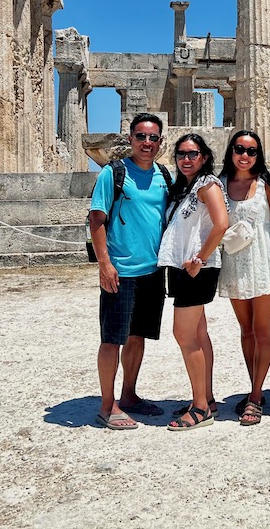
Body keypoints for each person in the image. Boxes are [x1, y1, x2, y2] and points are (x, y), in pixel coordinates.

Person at [88, 113, 169, 431]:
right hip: (120, 270)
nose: (146, 143)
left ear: (160, 142)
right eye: (140, 136)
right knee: (112, 339)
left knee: (138, 337)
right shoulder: (113, 173)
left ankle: (130, 395)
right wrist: (104, 264)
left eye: (152, 138)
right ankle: (107, 406)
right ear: (130, 139)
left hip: (152, 271)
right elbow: (96, 220)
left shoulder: (164, 175)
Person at [158, 133, 229, 431]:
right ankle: (206, 397)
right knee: (198, 334)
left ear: (204, 157)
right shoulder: (185, 187)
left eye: (193, 154)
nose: (186, 159)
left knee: (184, 335)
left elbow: (222, 223)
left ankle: (200, 408)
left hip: (196, 268)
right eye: (181, 154)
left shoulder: (207, 184)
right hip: (184, 266)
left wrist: (200, 258)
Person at [217, 130, 270, 426]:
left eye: (251, 151)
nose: (245, 155)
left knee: (262, 330)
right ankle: (253, 388)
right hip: (235, 263)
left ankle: (256, 395)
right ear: (231, 152)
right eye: (239, 149)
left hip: (264, 261)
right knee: (245, 330)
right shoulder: (219, 185)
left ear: (258, 155)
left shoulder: (266, 185)